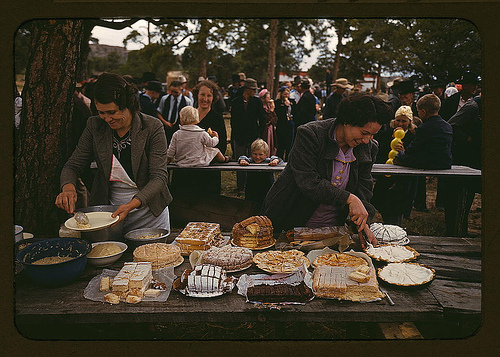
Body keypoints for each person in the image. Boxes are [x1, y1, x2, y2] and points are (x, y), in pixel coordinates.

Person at [262, 93, 393, 247]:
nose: (366, 140)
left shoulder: (368, 148)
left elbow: (363, 188)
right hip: (291, 221)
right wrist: (349, 198)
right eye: (364, 133)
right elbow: (308, 182)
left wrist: (363, 223)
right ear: (346, 121)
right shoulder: (310, 135)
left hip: (332, 230)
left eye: (372, 135)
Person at [55, 72, 172, 234]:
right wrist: (68, 187)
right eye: (101, 112)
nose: (107, 118)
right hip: (109, 214)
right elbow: (73, 164)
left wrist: (131, 205)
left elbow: (159, 177)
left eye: (112, 112)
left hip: (149, 212)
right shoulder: (94, 125)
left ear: (128, 105)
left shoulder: (152, 127)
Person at [372, 106, 418, 225]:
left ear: (409, 122)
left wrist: (403, 152)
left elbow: (414, 156)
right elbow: (379, 151)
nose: (400, 123)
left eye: (404, 121)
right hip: (385, 176)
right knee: (382, 203)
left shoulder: (413, 137)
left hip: (402, 180)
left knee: (397, 207)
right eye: (398, 120)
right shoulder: (386, 133)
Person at [394, 94, 452, 169]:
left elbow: (412, 150)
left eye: (418, 111)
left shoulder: (424, 128)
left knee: (399, 157)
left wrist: (402, 153)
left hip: (429, 163)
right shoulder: (447, 126)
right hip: (445, 163)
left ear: (424, 112)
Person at [230, 78, 266, 190]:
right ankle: (240, 186)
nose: (255, 91)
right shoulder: (235, 102)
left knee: (254, 161)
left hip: (253, 137)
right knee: (240, 162)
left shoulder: (257, 102)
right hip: (239, 137)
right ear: (247, 89)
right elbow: (233, 120)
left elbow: (262, 119)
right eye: (253, 89)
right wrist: (235, 134)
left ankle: (252, 186)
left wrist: (259, 133)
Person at [238, 139, 283, 211]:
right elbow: (242, 158)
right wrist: (242, 161)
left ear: (266, 154)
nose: (257, 157)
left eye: (260, 154)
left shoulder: (268, 161)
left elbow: (278, 159)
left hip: (266, 188)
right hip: (252, 189)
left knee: (266, 206)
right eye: (255, 154)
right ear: (251, 153)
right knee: (251, 207)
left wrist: (276, 161)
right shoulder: (250, 161)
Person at [275, 86, 296, 161]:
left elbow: (295, 111)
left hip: (290, 123)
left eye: (287, 94)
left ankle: (288, 160)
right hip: (281, 124)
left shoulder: (292, 101)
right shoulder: (277, 102)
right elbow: (279, 113)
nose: (286, 96)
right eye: (284, 94)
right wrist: (285, 106)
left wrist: (290, 105)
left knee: (289, 144)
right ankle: (279, 159)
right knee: (281, 144)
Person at [258, 88, 278, 157]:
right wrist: (271, 111)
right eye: (268, 97)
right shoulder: (262, 108)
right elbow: (267, 120)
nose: (269, 99)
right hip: (265, 129)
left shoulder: (269, 106)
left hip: (271, 129)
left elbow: (275, 119)